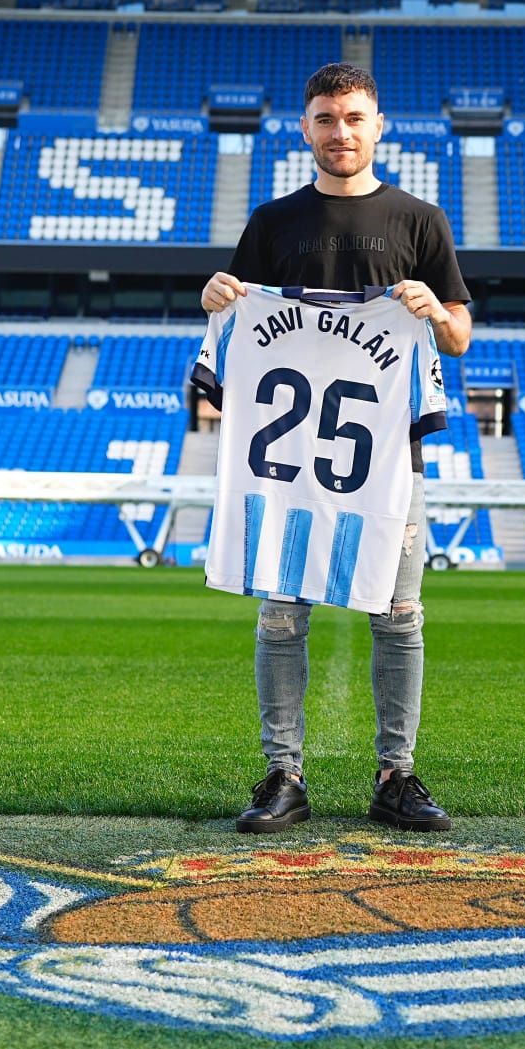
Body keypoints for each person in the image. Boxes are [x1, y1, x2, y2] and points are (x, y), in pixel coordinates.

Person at [200, 62, 473, 832]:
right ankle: (282, 774)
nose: (341, 132)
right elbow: (234, 326)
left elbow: (457, 337)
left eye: (354, 117)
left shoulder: (420, 221)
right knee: (281, 616)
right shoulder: (273, 221)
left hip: (387, 460)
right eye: (326, 118)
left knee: (399, 615)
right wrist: (212, 297)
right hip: (287, 464)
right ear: (305, 129)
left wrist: (434, 310)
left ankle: (398, 774)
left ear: (378, 124)